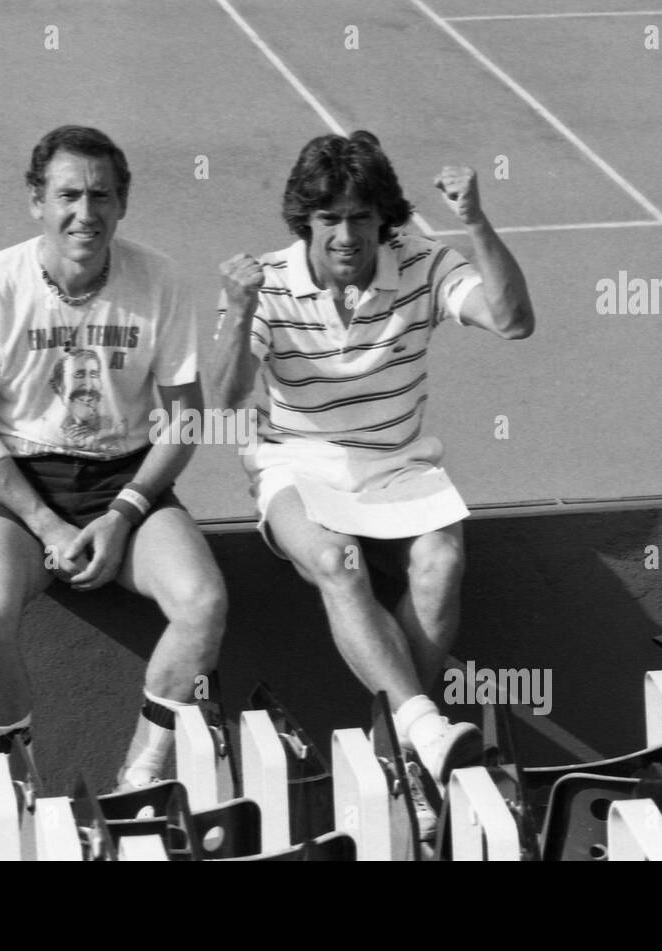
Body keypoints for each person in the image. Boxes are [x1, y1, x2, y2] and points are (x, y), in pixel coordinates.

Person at [212, 131, 533, 832]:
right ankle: (424, 728)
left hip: (398, 461)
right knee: (336, 559)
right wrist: (238, 313)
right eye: (329, 219)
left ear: (382, 219)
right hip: (297, 461)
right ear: (307, 223)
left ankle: (400, 750)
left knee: (442, 561)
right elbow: (227, 399)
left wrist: (476, 222)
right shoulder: (266, 281)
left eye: (360, 216)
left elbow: (513, 321)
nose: (346, 234)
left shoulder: (422, 263)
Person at [0, 125, 226, 789]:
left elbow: (187, 417)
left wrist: (124, 514)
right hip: (23, 482)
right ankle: (19, 781)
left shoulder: (160, 280)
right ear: (35, 200)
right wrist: (47, 524)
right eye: (68, 194)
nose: (85, 213)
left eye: (102, 196)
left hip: (127, 479)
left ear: (123, 204)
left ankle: (142, 775)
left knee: (203, 600)